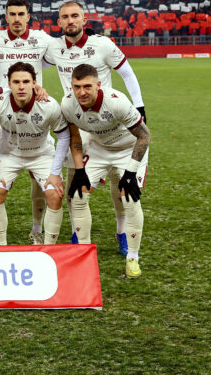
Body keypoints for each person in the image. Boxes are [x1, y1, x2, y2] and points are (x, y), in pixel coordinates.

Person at [44, 0, 147, 254]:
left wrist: (140, 106)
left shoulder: (101, 44)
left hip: (106, 119)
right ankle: (78, 233)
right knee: (74, 179)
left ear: (84, 20)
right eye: (65, 17)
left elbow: (128, 73)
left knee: (118, 183)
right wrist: (37, 85)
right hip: (76, 121)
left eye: (75, 16)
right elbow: (34, 63)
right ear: (59, 22)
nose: (70, 21)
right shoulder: (54, 48)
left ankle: (122, 231)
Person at [61, 64, 151, 278]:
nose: (82, 92)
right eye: (77, 87)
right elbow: (75, 138)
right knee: (77, 196)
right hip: (99, 149)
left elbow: (144, 136)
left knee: (129, 199)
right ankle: (82, 253)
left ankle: (133, 257)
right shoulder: (68, 105)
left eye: (87, 86)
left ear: (98, 85)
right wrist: (79, 170)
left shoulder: (116, 102)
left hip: (129, 149)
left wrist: (130, 173)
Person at [0, 0, 55, 244]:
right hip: (6, 116)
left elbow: (61, 55)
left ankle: (37, 229)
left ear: (28, 16)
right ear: (6, 16)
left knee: (39, 178)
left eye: (20, 14)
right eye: (11, 14)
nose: (16, 19)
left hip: (35, 114)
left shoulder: (42, 39)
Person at [0, 62, 69, 245]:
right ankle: (0, 245)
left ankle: (48, 247)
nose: (21, 86)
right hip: (10, 154)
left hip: (41, 155)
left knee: (54, 194)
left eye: (26, 81)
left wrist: (55, 173)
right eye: (16, 82)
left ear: (34, 83)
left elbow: (64, 137)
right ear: (9, 83)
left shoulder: (49, 105)